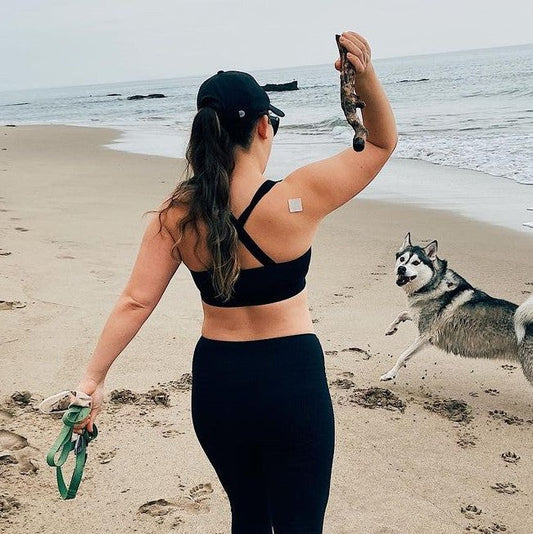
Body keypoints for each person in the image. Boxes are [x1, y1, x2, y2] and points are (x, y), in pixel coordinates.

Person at [73, 31, 397, 533]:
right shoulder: (298, 197)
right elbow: (380, 142)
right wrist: (365, 76)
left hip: (220, 385)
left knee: (248, 517)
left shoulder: (176, 215)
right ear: (264, 126)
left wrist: (91, 381)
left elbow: (136, 301)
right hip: (291, 382)